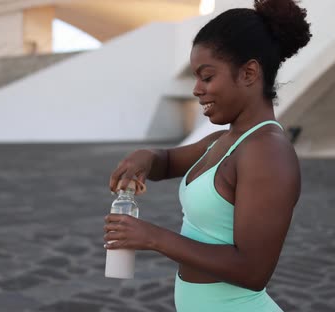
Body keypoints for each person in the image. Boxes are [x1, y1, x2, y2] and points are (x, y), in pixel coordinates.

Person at [104, 0, 311, 310]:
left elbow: (253, 271)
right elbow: (169, 161)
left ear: (249, 73)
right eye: (196, 77)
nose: (197, 89)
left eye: (207, 76)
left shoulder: (267, 152)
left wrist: (152, 238)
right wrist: (145, 156)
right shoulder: (223, 140)